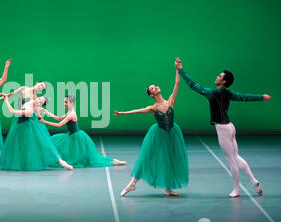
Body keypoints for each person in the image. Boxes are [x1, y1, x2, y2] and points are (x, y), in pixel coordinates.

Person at [175, 57, 272, 198]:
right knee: (236, 156)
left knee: (231, 160)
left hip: (223, 129)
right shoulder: (229, 93)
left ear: (224, 81)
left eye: (219, 76)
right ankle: (253, 180)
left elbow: (192, 84)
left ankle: (236, 190)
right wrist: (262, 97)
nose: (217, 76)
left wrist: (181, 70)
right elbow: (244, 97)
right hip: (231, 127)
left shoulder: (212, 93)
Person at [115, 66, 189, 197]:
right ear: (151, 94)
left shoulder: (170, 101)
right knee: (147, 158)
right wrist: (122, 113)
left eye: (155, 86)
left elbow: (177, 83)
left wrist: (178, 69)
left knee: (170, 159)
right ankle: (132, 184)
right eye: (153, 88)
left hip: (172, 133)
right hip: (158, 135)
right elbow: (137, 110)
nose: (156, 87)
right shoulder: (153, 107)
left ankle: (168, 188)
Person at [38, 95, 127, 168]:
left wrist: (44, 121)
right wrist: (46, 112)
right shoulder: (69, 112)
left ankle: (113, 161)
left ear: (71, 103)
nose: (64, 103)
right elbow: (58, 119)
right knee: (55, 141)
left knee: (88, 159)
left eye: (66, 102)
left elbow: (58, 125)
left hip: (76, 137)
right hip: (71, 135)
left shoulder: (71, 114)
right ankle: (114, 161)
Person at [0, 95, 73, 171]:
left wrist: (6, 101)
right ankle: (22, 161)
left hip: (27, 127)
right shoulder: (31, 101)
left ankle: (61, 161)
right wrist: (0, 98)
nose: (38, 100)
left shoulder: (30, 110)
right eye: (39, 98)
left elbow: (12, 111)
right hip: (19, 125)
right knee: (21, 145)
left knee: (43, 144)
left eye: (40, 102)